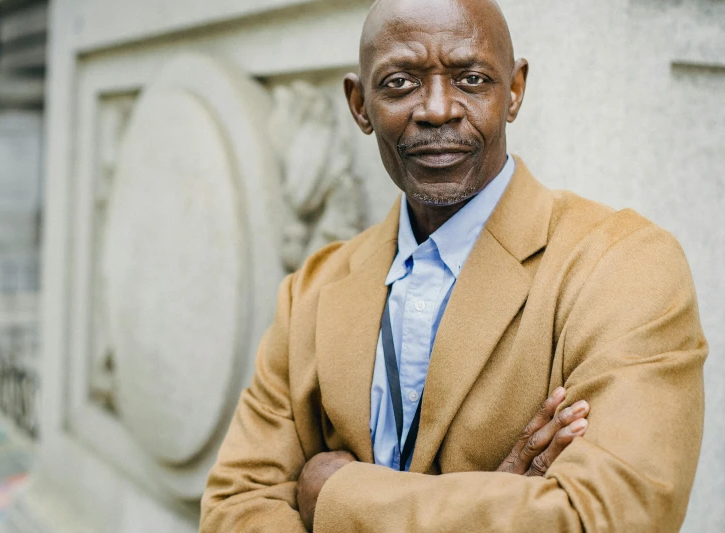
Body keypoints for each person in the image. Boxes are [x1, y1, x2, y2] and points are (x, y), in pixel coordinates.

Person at [199, 0, 707, 531]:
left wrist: (332, 493)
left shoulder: (623, 266)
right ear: (359, 105)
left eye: (470, 78)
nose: (437, 108)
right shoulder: (310, 290)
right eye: (399, 82)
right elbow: (234, 507)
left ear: (514, 90)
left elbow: (612, 518)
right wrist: (501, 501)